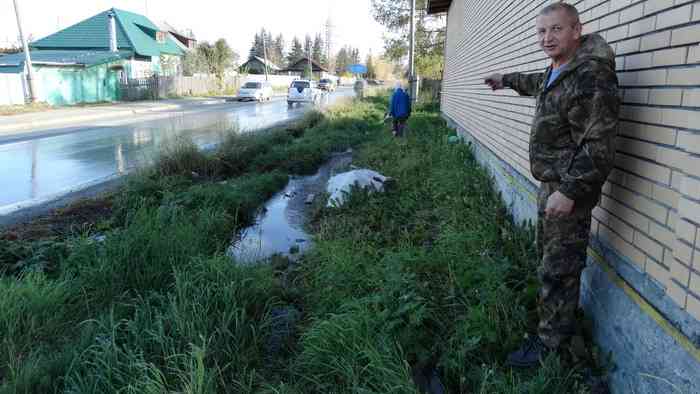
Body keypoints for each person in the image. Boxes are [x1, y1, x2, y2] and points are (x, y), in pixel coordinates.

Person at [484, 3, 619, 368]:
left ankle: (551, 348)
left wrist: (570, 192)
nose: (547, 38)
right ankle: (552, 325)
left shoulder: (591, 76)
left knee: (560, 267)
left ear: (576, 30)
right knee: (548, 261)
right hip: (553, 186)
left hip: (569, 191)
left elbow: (599, 146)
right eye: (541, 32)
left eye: (556, 30)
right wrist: (507, 79)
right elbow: (540, 84)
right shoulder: (561, 68)